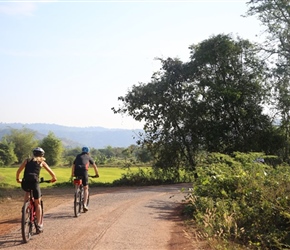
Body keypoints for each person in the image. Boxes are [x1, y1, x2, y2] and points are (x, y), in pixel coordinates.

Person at [16, 147, 57, 233]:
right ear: (42, 155)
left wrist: (18, 179)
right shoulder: (41, 162)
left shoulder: (27, 161)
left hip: (25, 182)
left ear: (33, 154)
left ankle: (25, 206)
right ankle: (39, 225)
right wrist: (53, 179)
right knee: (37, 203)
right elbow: (52, 174)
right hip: (35, 182)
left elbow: (18, 171)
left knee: (27, 191)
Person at [71, 146, 99, 212]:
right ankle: (84, 204)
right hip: (84, 171)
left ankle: (77, 189)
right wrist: (97, 174)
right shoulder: (88, 157)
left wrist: (72, 173)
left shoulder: (78, 156)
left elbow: (73, 165)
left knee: (78, 181)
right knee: (86, 188)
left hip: (76, 171)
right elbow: (94, 166)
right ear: (88, 152)